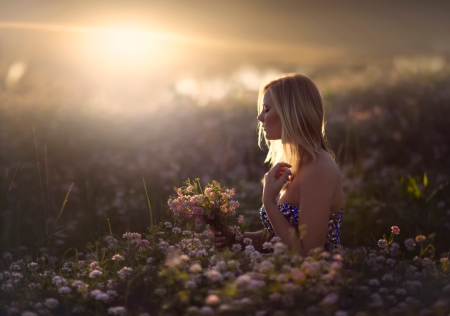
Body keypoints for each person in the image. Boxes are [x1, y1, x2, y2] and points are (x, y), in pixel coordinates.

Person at [214, 73, 344, 255]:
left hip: (314, 280)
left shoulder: (319, 170)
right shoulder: (295, 164)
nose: (260, 117)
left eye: (267, 109)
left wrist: (269, 202)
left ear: (291, 112)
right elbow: (279, 237)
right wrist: (235, 238)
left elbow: (308, 253)